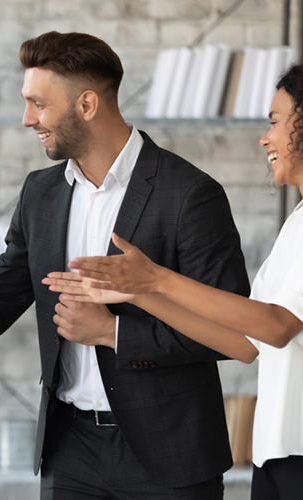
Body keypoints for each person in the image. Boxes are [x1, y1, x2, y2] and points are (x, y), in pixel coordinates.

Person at [0, 31, 251, 498]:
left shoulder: (190, 195)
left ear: (86, 105)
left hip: (170, 454)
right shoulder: (40, 194)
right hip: (71, 451)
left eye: (38, 103)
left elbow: (229, 333)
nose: (26, 119)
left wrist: (110, 332)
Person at [43, 63, 303, 500]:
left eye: (276, 122)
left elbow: (279, 327)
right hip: (279, 452)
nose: (265, 138)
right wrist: (142, 293)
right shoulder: (296, 222)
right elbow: (243, 343)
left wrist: (157, 280)